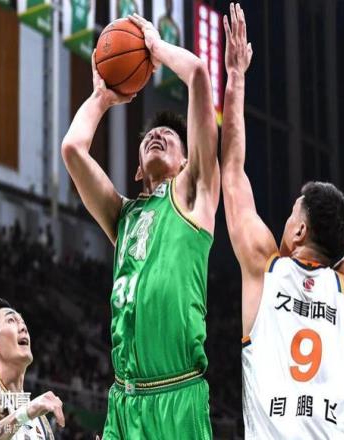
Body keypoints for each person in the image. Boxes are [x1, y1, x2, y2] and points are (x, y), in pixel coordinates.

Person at [221, 4, 344, 439]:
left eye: (291, 216)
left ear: (300, 230)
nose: (285, 223)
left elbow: (232, 170)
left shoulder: (264, 267)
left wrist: (236, 76)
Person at [61, 12, 219, 439]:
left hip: (177, 396)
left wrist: (155, 47)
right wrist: (101, 99)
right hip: (124, 403)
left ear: (187, 162)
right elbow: (73, 149)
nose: (157, 135)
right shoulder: (123, 216)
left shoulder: (194, 195)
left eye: (170, 136)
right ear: (136, 169)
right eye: (150, 135)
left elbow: (199, 75)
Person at [0, 298, 65, 439]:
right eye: (11, 320)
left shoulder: (41, 419)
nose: (24, 328)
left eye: (23, 323)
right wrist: (26, 412)